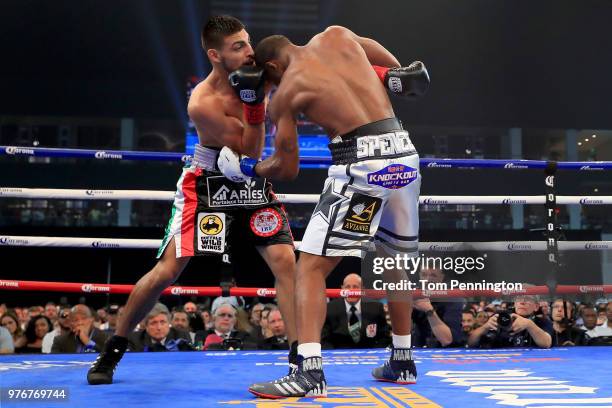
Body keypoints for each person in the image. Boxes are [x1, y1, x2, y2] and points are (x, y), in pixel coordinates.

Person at [217, 26, 429, 397]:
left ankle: (309, 371)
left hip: (363, 167)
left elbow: (287, 168)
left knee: (310, 267)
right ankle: (402, 360)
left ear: (271, 66)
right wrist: (381, 79)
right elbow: (397, 71)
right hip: (405, 156)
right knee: (395, 260)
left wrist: (246, 168)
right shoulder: (338, 36)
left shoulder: (289, 91)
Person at [87, 15, 298, 385]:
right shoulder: (202, 102)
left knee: (285, 261)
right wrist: (255, 102)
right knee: (166, 272)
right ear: (215, 55)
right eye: (238, 47)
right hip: (207, 184)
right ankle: (113, 350)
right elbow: (251, 146)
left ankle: (302, 358)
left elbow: (256, 154)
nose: (250, 52)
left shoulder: (260, 68)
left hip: (249, 180)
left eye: (248, 42)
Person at [322, 273, 389, 349]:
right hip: (338, 356)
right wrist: (334, 356)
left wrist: (375, 354)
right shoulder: (330, 308)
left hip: (370, 355)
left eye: (355, 287)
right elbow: (324, 339)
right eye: (348, 287)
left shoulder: (375, 307)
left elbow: (384, 337)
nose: (351, 291)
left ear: (362, 289)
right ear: (342, 288)